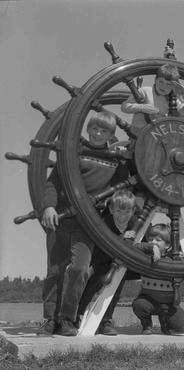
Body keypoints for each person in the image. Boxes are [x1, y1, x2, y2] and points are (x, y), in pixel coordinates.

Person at [38, 111, 121, 336]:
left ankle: (67, 319)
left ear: (111, 135)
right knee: (54, 271)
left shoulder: (116, 161)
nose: (97, 133)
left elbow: (128, 184)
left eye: (103, 130)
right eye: (94, 128)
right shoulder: (72, 154)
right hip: (61, 219)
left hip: (89, 223)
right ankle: (49, 320)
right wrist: (48, 206)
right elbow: (53, 183)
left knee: (80, 269)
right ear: (87, 129)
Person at [76, 190, 139, 336]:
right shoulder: (105, 222)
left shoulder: (136, 223)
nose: (123, 215)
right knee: (91, 287)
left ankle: (105, 322)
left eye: (128, 211)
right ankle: (77, 316)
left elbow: (144, 241)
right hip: (102, 260)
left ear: (134, 210)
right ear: (111, 209)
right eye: (118, 210)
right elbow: (105, 242)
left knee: (115, 293)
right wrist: (123, 237)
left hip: (122, 264)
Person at [132, 224, 184, 335]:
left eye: (158, 240)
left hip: (168, 304)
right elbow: (134, 247)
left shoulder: (173, 259)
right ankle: (147, 325)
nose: (153, 241)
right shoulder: (144, 257)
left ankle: (166, 324)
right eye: (150, 239)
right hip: (148, 300)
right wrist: (151, 248)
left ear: (168, 245)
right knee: (139, 305)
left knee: (180, 325)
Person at [121, 63, 184, 134]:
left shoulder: (173, 102)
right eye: (161, 82)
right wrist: (142, 107)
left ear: (173, 87)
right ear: (155, 80)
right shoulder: (145, 91)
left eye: (168, 84)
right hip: (138, 136)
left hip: (158, 140)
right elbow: (124, 107)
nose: (163, 86)